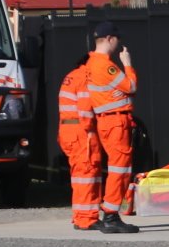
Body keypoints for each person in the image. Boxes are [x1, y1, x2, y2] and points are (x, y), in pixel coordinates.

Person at [84, 20, 140, 234]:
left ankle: (110, 213)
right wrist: (127, 63)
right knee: (120, 170)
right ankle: (110, 215)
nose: (118, 43)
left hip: (108, 121)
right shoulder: (105, 65)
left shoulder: (92, 64)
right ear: (109, 39)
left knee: (118, 169)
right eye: (117, 39)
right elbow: (131, 86)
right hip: (116, 122)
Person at [56, 63, 102, 231]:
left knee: (79, 175)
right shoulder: (84, 77)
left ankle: (80, 216)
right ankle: (86, 219)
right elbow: (85, 109)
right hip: (82, 131)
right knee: (87, 174)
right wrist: (92, 130)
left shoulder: (72, 75)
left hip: (68, 129)